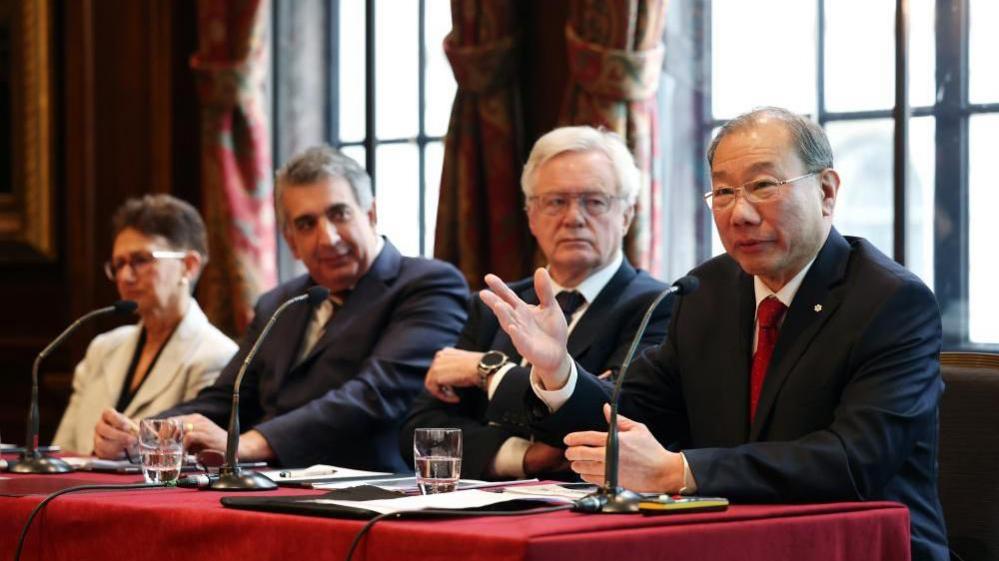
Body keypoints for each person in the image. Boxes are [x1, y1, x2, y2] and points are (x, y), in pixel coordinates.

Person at [479, 108, 948, 560]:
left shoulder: (890, 302)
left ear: (826, 192)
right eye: (723, 193)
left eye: (763, 185)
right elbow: (631, 411)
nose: (740, 213)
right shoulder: (709, 291)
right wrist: (558, 369)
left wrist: (680, 471)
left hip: (858, 547)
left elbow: (853, 460)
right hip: (728, 541)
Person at [93, 146, 469, 472]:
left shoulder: (429, 285)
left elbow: (374, 395)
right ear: (291, 241)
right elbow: (227, 398)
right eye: (307, 224)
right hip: (268, 486)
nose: (328, 237)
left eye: (339, 214)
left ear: (370, 214)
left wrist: (248, 444)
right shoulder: (280, 303)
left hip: (373, 492)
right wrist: (143, 433)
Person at [401, 126, 670, 480]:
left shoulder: (659, 306)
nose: (573, 217)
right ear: (531, 216)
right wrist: (524, 457)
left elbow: (617, 420)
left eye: (594, 201)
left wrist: (489, 371)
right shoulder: (495, 305)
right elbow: (422, 434)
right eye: (556, 202)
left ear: (626, 216)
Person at [53, 194, 237, 455]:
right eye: (118, 264)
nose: (125, 277)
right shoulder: (103, 348)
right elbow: (63, 450)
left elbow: (191, 459)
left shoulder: (216, 356)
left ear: (188, 266)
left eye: (140, 260)